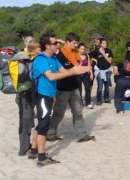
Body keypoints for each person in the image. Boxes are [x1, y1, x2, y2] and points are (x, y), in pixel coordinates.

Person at [30, 34, 91, 166]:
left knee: (42, 122)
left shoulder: (53, 58)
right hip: (43, 95)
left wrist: (77, 69)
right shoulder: (41, 59)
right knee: (44, 124)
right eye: (55, 43)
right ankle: (41, 157)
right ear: (47, 45)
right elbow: (51, 77)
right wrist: (73, 72)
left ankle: (34, 151)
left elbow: (64, 70)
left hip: (50, 95)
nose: (58, 45)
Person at [47, 33, 96, 143]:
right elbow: (63, 71)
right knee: (59, 112)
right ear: (67, 42)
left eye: (77, 43)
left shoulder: (75, 53)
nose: (76, 45)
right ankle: (50, 133)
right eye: (74, 43)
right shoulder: (60, 55)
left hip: (74, 86)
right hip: (63, 87)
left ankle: (81, 134)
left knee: (78, 110)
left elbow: (78, 67)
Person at [16, 39, 40, 157]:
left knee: (28, 119)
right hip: (25, 95)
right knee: (25, 120)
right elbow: (31, 76)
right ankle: (24, 149)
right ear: (34, 49)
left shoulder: (28, 59)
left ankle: (26, 145)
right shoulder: (27, 60)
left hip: (27, 94)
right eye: (38, 48)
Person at [92, 38, 113, 105]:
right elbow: (90, 56)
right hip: (99, 70)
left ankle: (106, 98)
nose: (105, 44)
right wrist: (95, 60)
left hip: (107, 70)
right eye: (103, 43)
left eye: (106, 43)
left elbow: (110, 61)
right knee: (100, 86)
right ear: (100, 44)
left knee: (107, 86)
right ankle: (98, 100)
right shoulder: (96, 51)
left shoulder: (109, 51)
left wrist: (103, 53)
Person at [77, 43, 94, 109]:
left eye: (84, 49)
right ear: (78, 49)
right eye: (81, 49)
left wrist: (91, 73)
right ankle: (80, 102)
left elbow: (89, 65)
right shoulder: (76, 55)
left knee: (87, 88)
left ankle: (88, 102)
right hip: (78, 74)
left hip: (86, 74)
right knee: (79, 89)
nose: (82, 50)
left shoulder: (87, 56)